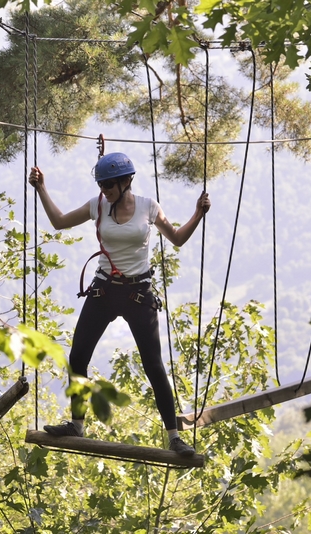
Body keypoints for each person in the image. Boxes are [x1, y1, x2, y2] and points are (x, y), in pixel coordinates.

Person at [28, 152, 210, 456]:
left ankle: (175, 437)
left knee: (154, 366)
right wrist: (41, 188)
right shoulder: (97, 205)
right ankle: (77, 424)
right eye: (101, 184)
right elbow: (60, 223)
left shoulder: (148, 207)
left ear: (127, 181)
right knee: (78, 357)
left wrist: (198, 214)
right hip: (104, 290)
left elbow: (176, 238)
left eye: (110, 183)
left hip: (138, 294)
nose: (105, 189)